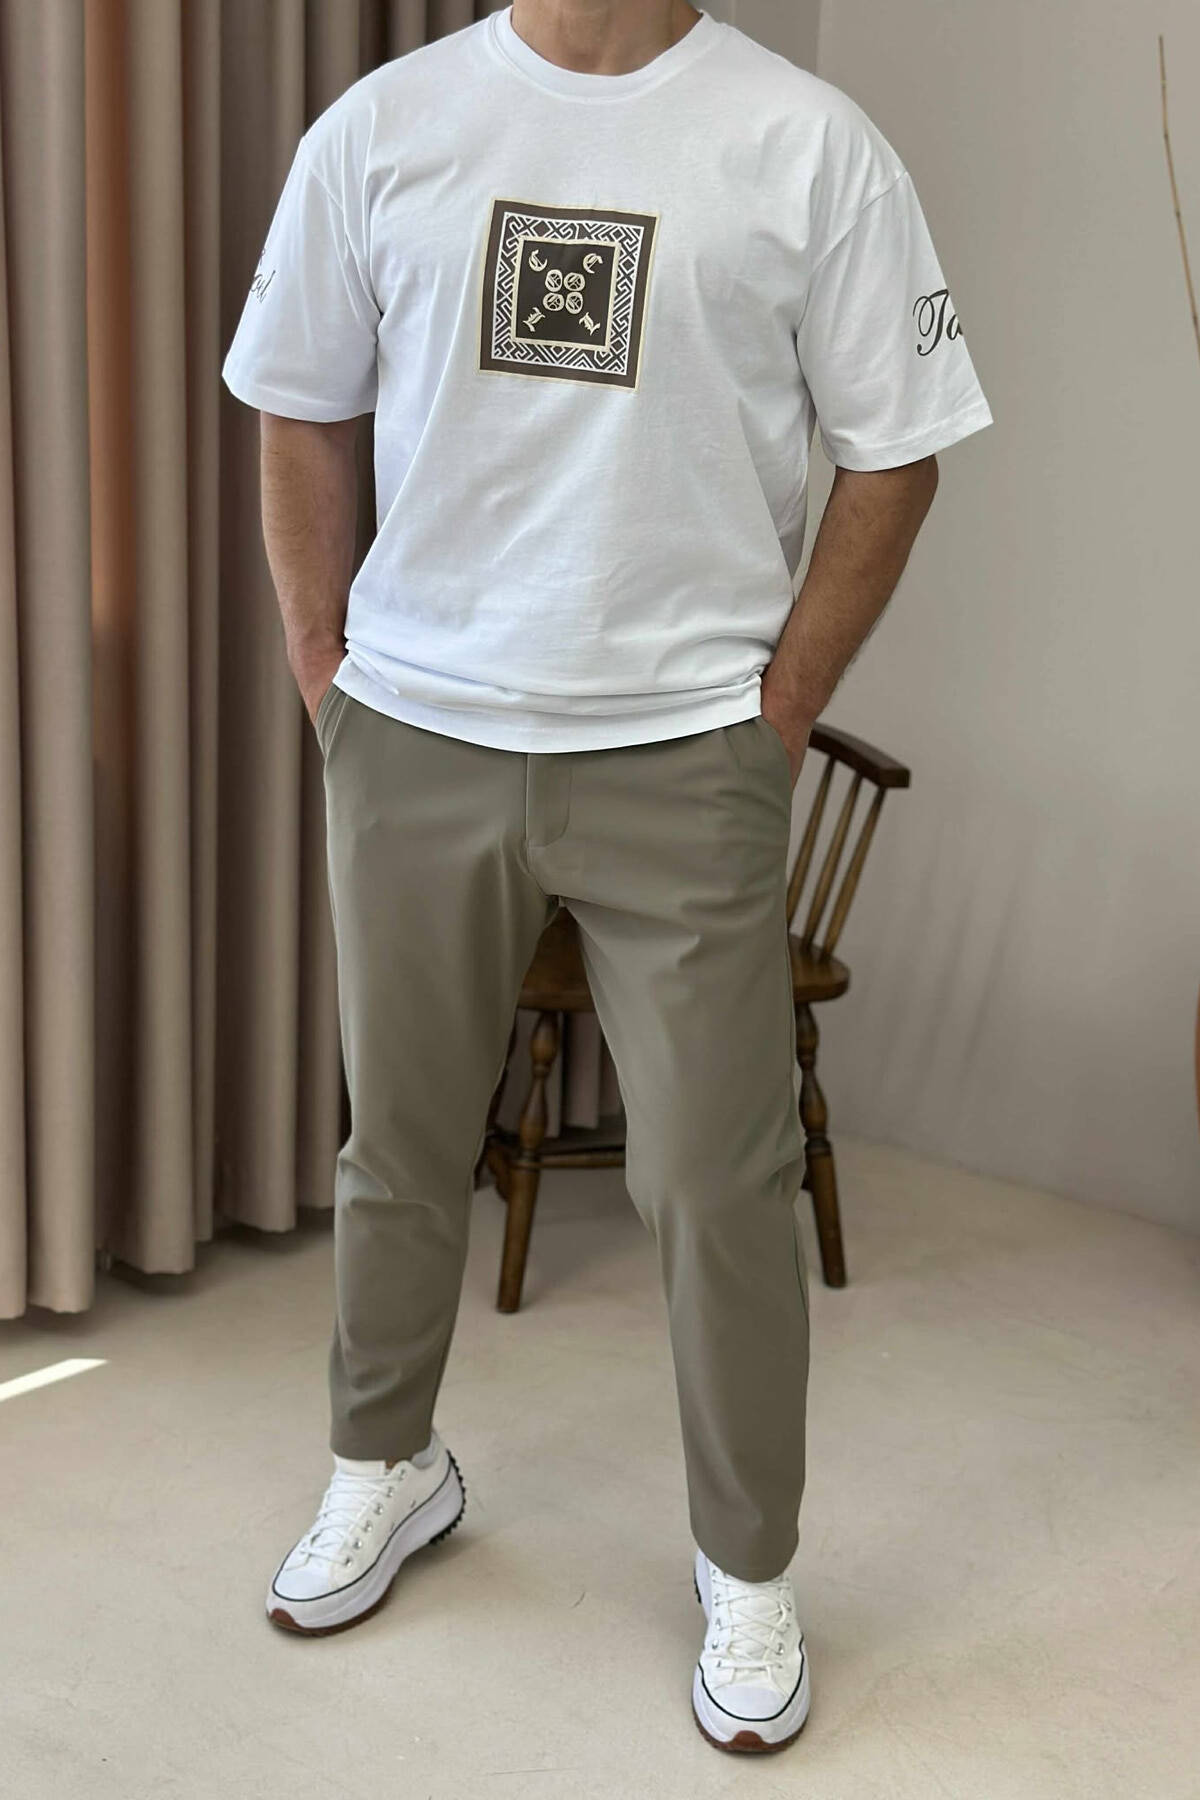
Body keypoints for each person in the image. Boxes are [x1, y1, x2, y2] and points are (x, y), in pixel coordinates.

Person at [221, 0, 992, 1756]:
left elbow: (899, 450)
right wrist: (327, 673)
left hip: (686, 744)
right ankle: (386, 1464)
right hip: (417, 728)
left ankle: (749, 1564)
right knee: (399, 1147)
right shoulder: (382, 130)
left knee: (723, 1182)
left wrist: (777, 714)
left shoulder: (809, 145)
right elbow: (299, 406)